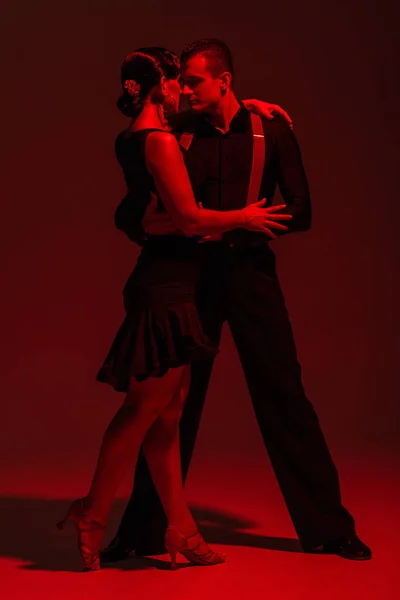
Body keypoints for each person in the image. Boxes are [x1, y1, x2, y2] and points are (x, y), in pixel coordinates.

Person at [101, 38, 372, 563]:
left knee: (284, 398)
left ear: (224, 81)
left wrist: (241, 228)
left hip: (251, 277)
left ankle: (330, 529)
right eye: (182, 81)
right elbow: (129, 211)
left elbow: (301, 210)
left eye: (195, 81)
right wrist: (155, 223)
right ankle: (141, 532)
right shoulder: (173, 135)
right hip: (188, 282)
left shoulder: (271, 130)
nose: (184, 90)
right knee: (169, 412)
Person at [56, 46, 292, 572]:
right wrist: (246, 217)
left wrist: (244, 106)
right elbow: (187, 219)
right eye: (175, 82)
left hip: (173, 281)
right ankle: (91, 510)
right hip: (166, 285)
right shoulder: (162, 141)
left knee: (168, 417)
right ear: (159, 85)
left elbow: (151, 206)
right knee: (143, 411)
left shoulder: (134, 137)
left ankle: (180, 526)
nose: (182, 89)